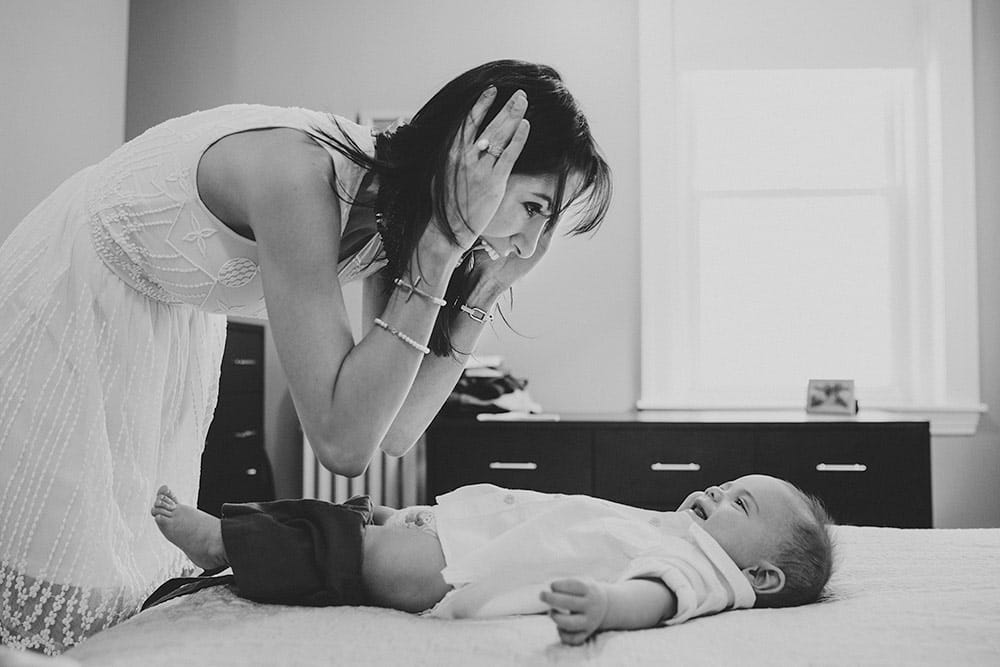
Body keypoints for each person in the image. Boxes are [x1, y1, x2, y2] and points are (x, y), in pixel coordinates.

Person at [0, 60, 612, 653]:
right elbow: (342, 445)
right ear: (479, 158)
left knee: (125, 563)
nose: (531, 244)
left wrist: (485, 287)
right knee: (57, 567)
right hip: (74, 292)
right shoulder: (298, 175)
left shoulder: (397, 219)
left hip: (166, 322)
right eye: (535, 208)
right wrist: (444, 245)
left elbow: (397, 429)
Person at [148, 474, 834, 646]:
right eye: (725, 484)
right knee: (344, 529)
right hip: (458, 543)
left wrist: (602, 607)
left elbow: (656, 595)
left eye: (738, 504)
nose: (716, 492)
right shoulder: (672, 528)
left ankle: (223, 542)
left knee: (335, 542)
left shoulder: (703, 569)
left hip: (451, 570)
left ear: (760, 577)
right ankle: (241, 554)